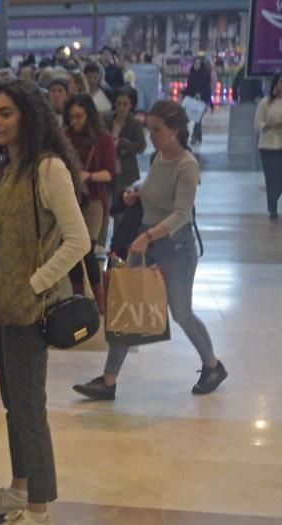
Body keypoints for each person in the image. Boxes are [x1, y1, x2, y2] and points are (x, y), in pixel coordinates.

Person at [0, 80, 91, 525]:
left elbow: (79, 239)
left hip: (28, 307)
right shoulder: (7, 169)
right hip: (2, 304)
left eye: (6, 113)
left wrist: (35, 282)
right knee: (15, 406)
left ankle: (40, 511)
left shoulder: (47, 168)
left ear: (29, 117)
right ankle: (20, 490)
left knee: (30, 410)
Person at [74, 100, 227, 399]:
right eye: (150, 129)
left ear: (175, 129)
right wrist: (136, 195)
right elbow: (153, 188)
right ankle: (108, 380)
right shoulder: (159, 157)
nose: (152, 136)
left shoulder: (187, 164)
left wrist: (149, 236)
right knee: (126, 305)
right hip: (146, 240)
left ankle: (213, 365)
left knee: (181, 312)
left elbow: (181, 213)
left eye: (157, 130)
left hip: (175, 246)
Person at [64, 92, 116, 273]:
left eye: (79, 116)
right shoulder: (65, 136)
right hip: (69, 199)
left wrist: (88, 176)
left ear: (89, 115)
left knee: (86, 247)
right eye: (71, 117)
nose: (74, 121)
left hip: (93, 199)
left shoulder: (103, 139)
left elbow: (110, 173)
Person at [106, 86, 147, 237]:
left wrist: (124, 145)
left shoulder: (135, 124)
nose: (122, 107)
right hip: (106, 172)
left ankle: (118, 256)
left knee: (121, 214)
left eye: (125, 104)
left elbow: (142, 146)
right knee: (104, 210)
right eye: (118, 103)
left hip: (126, 173)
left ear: (131, 105)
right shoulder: (106, 119)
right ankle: (100, 246)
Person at [255, 71, 282, 221]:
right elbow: (258, 123)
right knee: (272, 179)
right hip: (268, 146)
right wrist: (269, 125)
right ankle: (272, 208)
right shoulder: (265, 103)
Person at [184, 57, 213, 145]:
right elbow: (189, 87)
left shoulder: (205, 75)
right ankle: (198, 135)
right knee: (191, 118)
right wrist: (184, 93)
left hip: (202, 100)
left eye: (198, 64)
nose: (196, 66)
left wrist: (200, 94)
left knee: (198, 119)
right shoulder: (191, 74)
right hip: (192, 99)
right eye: (195, 63)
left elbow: (207, 88)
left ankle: (194, 136)